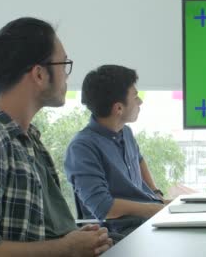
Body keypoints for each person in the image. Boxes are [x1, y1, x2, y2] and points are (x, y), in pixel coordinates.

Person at [0, 17, 112, 256]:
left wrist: (81, 240)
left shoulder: (28, 139)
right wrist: (67, 247)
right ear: (40, 74)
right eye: (64, 64)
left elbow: (47, 233)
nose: (66, 76)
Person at [65, 65, 167, 236]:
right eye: (135, 97)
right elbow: (103, 207)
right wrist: (154, 209)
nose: (140, 102)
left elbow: (139, 160)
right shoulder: (82, 148)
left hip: (146, 225)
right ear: (118, 108)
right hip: (118, 235)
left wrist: (156, 194)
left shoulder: (125, 132)